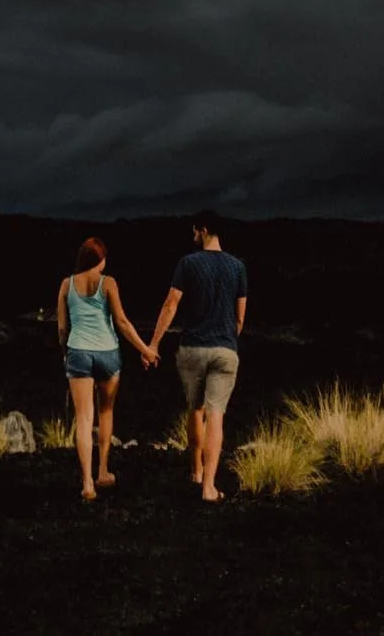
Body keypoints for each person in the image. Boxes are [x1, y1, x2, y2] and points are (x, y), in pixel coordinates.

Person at [148, 209, 246, 501]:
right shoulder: (237, 267)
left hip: (192, 347)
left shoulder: (188, 263)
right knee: (217, 415)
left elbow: (170, 305)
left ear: (203, 230)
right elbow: (240, 317)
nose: (192, 236)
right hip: (225, 348)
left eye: (193, 231)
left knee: (195, 409)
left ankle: (196, 471)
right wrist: (227, 337)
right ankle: (209, 487)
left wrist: (153, 344)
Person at [55, 235, 158, 500]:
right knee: (106, 411)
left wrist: (66, 354)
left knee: (83, 419)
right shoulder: (108, 283)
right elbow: (122, 322)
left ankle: (87, 483)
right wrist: (145, 349)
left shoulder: (66, 285)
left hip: (78, 351)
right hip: (107, 353)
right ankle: (102, 471)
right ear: (99, 260)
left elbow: (62, 327)